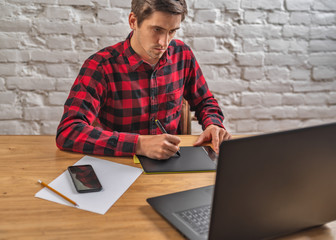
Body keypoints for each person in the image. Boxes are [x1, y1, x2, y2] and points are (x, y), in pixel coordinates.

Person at [56, 0, 231, 160]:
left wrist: (213, 125)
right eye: (157, 30)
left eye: (172, 31)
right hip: (119, 164)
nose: (164, 42)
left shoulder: (182, 54)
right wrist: (139, 144)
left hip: (172, 163)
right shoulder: (101, 66)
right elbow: (68, 131)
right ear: (133, 21)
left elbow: (205, 101)